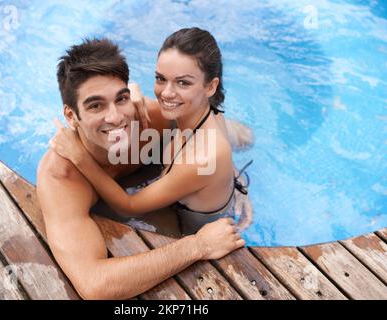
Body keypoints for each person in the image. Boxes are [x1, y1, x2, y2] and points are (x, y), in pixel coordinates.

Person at [37, 37, 248, 300]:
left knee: (245, 137)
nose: (115, 117)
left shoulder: (147, 117)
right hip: (159, 206)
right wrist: (199, 245)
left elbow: (204, 125)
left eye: (120, 99)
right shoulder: (62, 178)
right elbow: (95, 285)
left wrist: (232, 179)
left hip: (173, 189)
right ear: (71, 116)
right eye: (95, 105)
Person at [50, 28, 253, 235]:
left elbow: (128, 205)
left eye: (183, 82)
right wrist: (234, 180)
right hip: (197, 185)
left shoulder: (202, 158)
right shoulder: (208, 113)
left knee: (106, 215)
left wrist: (81, 158)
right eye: (160, 79)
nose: (166, 93)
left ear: (210, 87)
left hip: (190, 226)